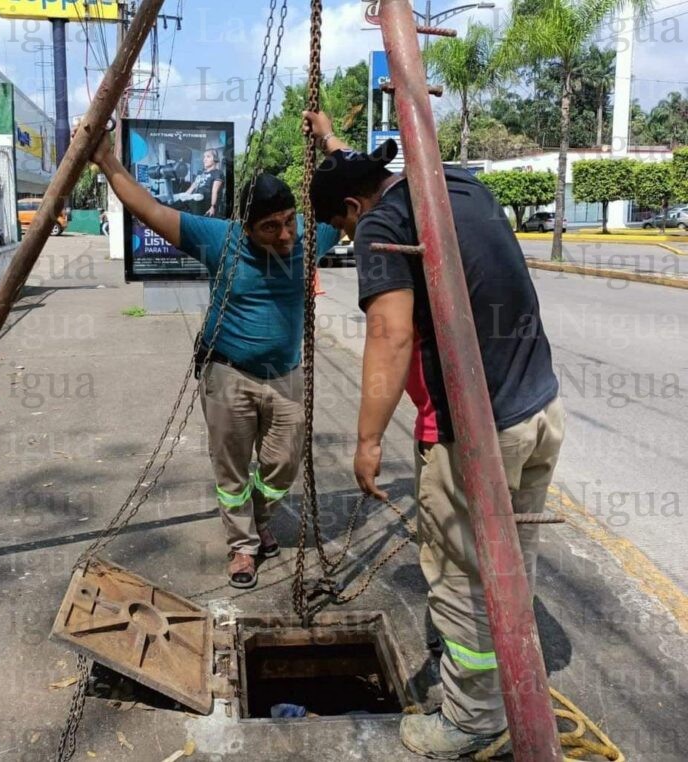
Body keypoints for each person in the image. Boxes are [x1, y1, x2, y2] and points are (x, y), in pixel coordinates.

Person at [305, 110, 564, 759]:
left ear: (354, 207)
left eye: (343, 225)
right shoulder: (452, 181)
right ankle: (508, 674)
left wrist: (367, 443)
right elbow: (362, 173)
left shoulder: (381, 225)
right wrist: (331, 139)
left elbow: (390, 335)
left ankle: (473, 721)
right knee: (512, 560)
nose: (349, 236)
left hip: (474, 434)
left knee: (460, 574)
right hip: (538, 409)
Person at [88, 128, 340, 589]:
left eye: (289, 221)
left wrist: (327, 138)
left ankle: (260, 517)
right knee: (232, 468)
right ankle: (243, 545)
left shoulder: (311, 237)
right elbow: (150, 209)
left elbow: (354, 186)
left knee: (283, 465)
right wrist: (106, 161)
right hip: (228, 373)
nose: (285, 234)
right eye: (271, 227)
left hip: (285, 376)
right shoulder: (219, 239)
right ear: (247, 226)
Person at [184, 149, 224, 216]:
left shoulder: (218, 173)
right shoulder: (200, 172)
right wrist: (183, 197)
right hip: (195, 204)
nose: (204, 159)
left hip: (205, 207)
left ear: (215, 159)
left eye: (208, 156)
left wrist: (213, 207)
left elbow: (215, 191)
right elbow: (193, 186)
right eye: (204, 157)